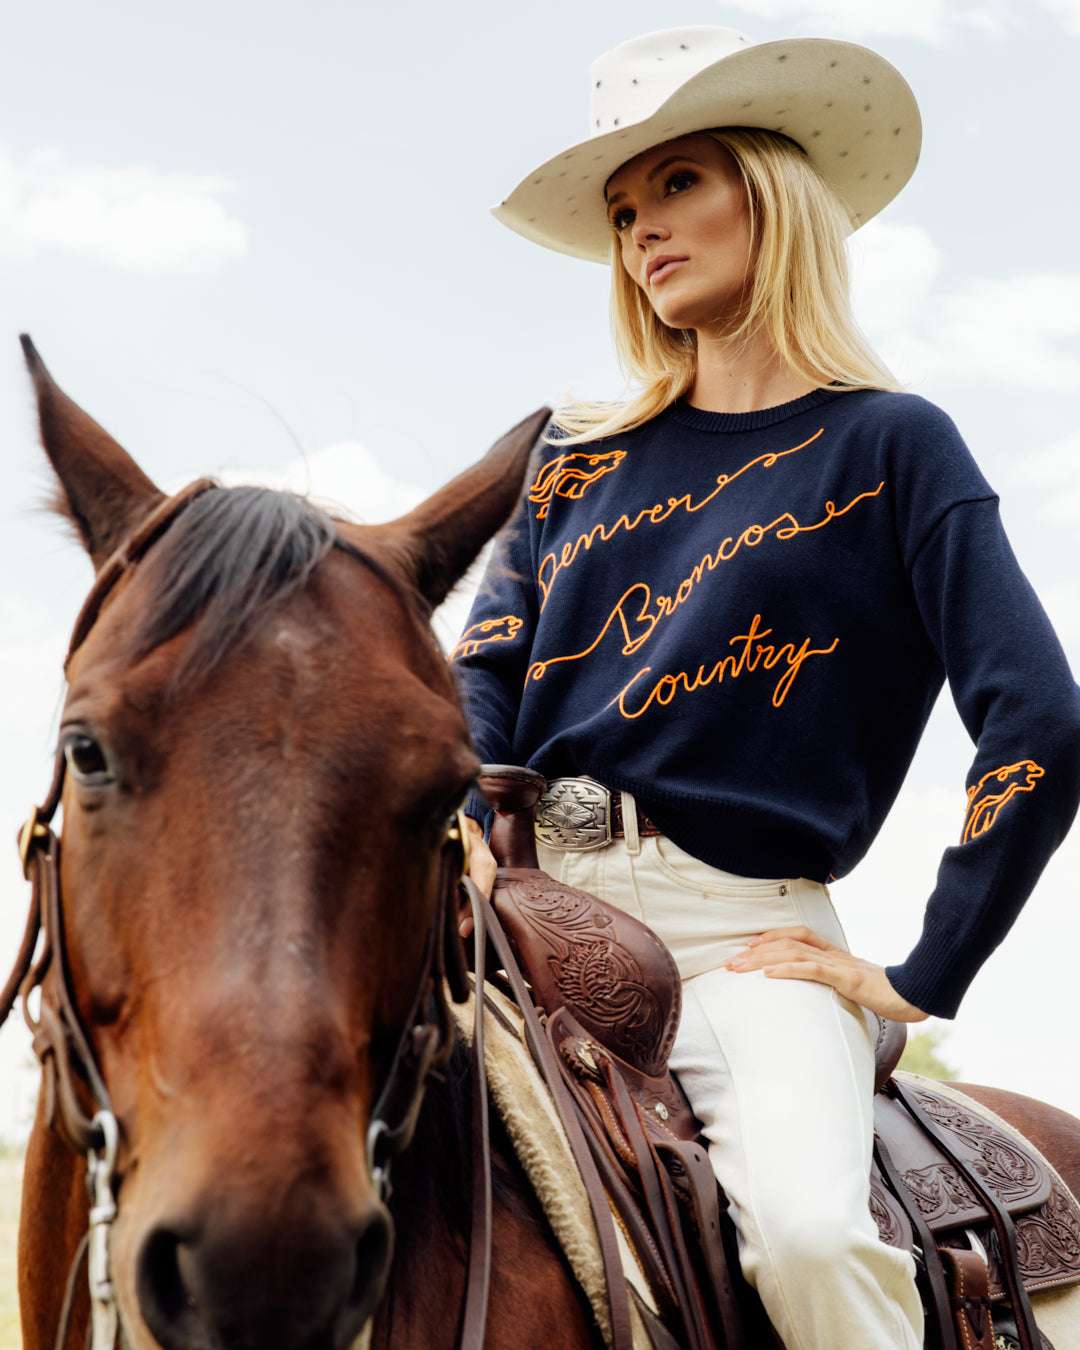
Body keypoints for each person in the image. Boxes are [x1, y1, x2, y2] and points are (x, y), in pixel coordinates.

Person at [449, 23, 1080, 1350]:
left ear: (768, 189)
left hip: (735, 937)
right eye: (624, 209)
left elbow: (1040, 716)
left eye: (677, 184)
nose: (642, 230)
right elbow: (482, 685)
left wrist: (925, 968)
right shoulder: (570, 462)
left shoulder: (893, 444)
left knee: (807, 1232)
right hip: (517, 914)